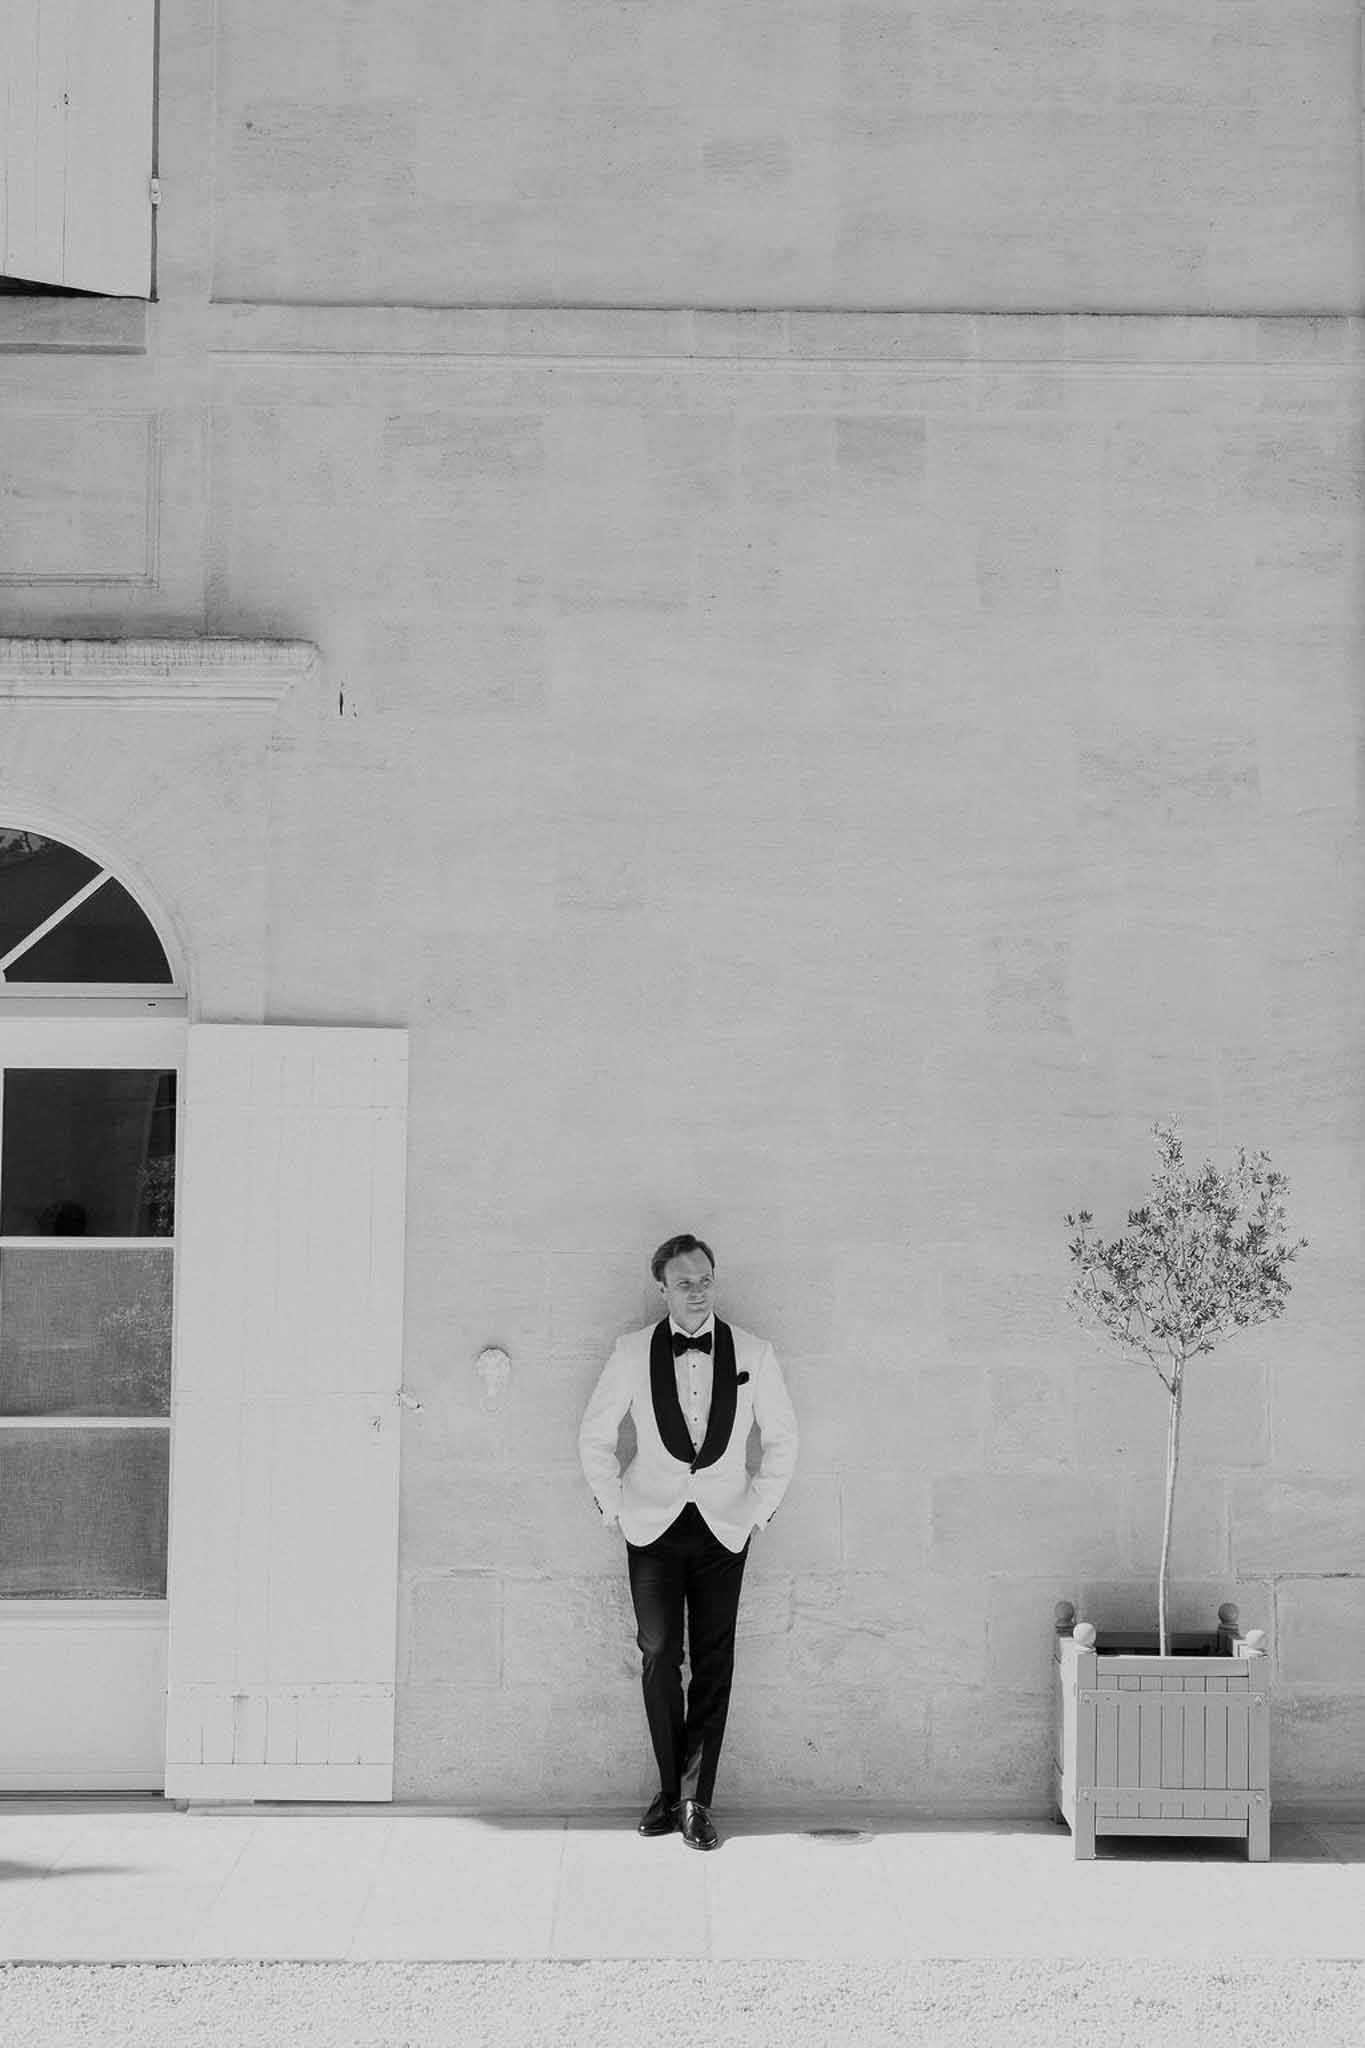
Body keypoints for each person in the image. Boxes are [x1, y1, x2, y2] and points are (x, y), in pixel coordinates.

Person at [577, 1233, 799, 1850]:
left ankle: (694, 1799)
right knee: (657, 1654)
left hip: (724, 1527)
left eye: (705, 1280)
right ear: (663, 1289)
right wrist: (614, 1509)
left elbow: (782, 1439)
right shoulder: (631, 1352)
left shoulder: (754, 1351)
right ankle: (671, 1787)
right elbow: (595, 1436)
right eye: (684, 1283)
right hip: (651, 1526)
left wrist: (759, 1510)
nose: (697, 1292)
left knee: (714, 1659)